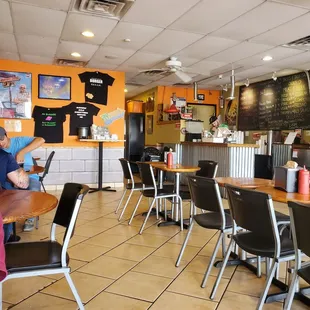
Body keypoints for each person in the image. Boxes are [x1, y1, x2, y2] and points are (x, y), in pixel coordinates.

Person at [0, 127, 45, 231]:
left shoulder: (19, 141)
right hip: (8, 179)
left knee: (34, 190)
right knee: (6, 196)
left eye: (2, 139)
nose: (1, 143)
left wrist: (22, 152)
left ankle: (30, 218)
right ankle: (10, 221)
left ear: (7, 135)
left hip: (30, 176)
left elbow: (41, 139)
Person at [0, 148, 29, 242]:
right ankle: (5, 241)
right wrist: (20, 169)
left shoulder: (5, 156)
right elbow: (23, 184)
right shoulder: (4, 156)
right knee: (8, 214)